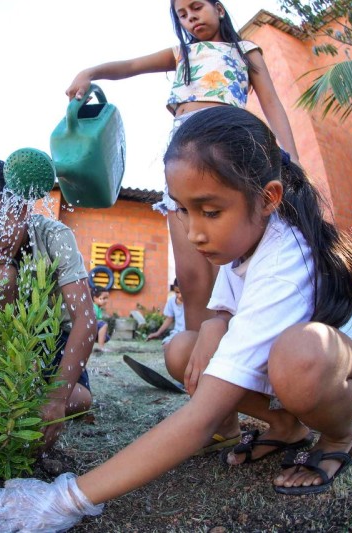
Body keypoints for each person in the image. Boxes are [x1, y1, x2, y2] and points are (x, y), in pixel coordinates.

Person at [0, 107, 352, 531]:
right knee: (183, 348)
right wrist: (211, 326)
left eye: (209, 212)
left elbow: (202, 415)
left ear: (268, 198)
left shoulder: (287, 256)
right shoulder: (240, 241)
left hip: (334, 372)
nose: (194, 233)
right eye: (183, 211)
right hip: (282, 368)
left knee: (298, 355)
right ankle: (285, 426)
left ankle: (338, 437)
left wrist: (67, 498)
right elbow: (222, 312)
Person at [66, 0, 300, 339]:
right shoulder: (181, 54)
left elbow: (272, 103)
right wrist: (90, 72)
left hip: (228, 148)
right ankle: (195, 351)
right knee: (191, 274)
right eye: (182, 15)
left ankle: (239, 351)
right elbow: (131, 64)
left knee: (230, 267)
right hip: (184, 151)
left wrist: (289, 156)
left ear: (219, 9)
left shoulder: (246, 50)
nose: (191, 17)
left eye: (196, 7)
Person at [0, 159, 95, 449]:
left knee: (80, 401)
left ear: (22, 208)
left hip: (53, 340)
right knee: (1, 276)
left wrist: (55, 401)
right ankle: (11, 395)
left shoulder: (54, 236)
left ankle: (29, 399)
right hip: (2, 346)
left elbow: (86, 321)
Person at [146, 278, 186, 346]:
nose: (180, 295)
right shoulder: (171, 301)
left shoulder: (191, 302)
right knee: (166, 345)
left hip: (188, 334)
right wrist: (157, 333)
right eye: (177, 292)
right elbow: (169, 319)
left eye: (182, 292)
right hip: (176, 333)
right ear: (174, 289)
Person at [91, 287, 111, 353]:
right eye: (104, 298)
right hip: (90, 327)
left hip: (93, 328)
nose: (106, 301)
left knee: (106, 337)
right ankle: (101, 348)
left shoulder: (98, 308)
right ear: (94, 298)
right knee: (103, 325)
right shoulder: (93, 307)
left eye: (107, 298)